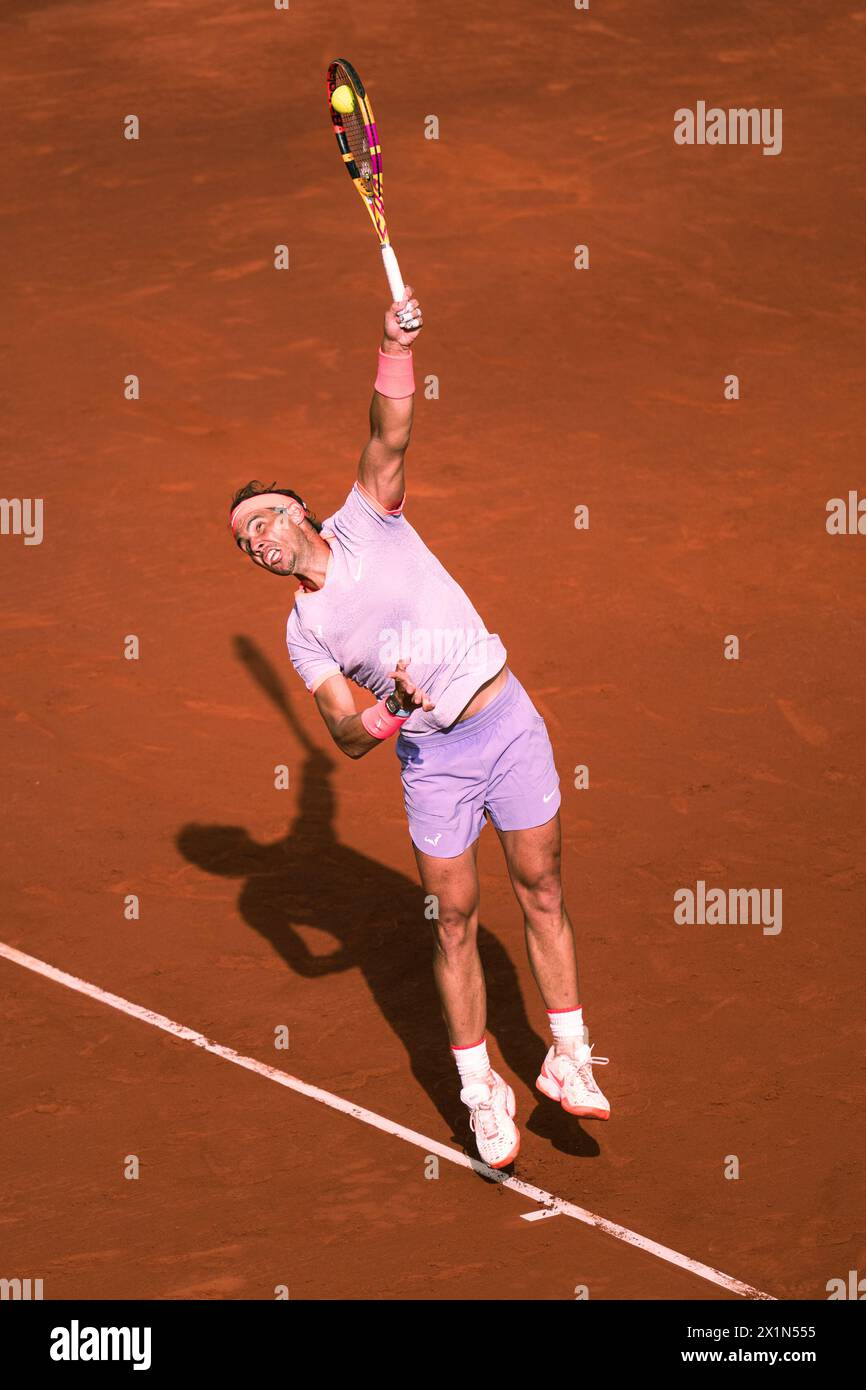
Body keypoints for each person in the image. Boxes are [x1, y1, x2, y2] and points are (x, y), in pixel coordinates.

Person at [228, 287, 609, 1168]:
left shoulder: (370, 516)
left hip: (508, 720)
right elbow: (344, 735)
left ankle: (569, 1054)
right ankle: (482, 1092)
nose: (255, 539)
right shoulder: (303, 632)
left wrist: (392, 342)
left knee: (542, 885)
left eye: (261, 519)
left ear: (297, 513)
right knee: (454, 920)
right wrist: (391, 706)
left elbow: (389, 429)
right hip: (435, 759)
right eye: (243, 539)